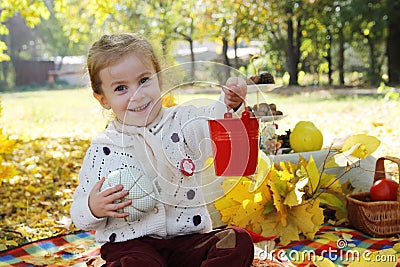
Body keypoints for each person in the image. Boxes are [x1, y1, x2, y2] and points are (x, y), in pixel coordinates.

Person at [70, 32, 254, 267]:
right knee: (134, 263)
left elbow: (212, 123)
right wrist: (93, 207)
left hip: (187, 241)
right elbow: (78, 211)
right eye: (120, 88)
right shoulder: (103, 150)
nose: (137, 94)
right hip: (132, 244)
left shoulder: (182, 121)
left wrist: (229, 102)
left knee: (236, 241)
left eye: (144, 80)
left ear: (159, 78)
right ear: (103, 99)